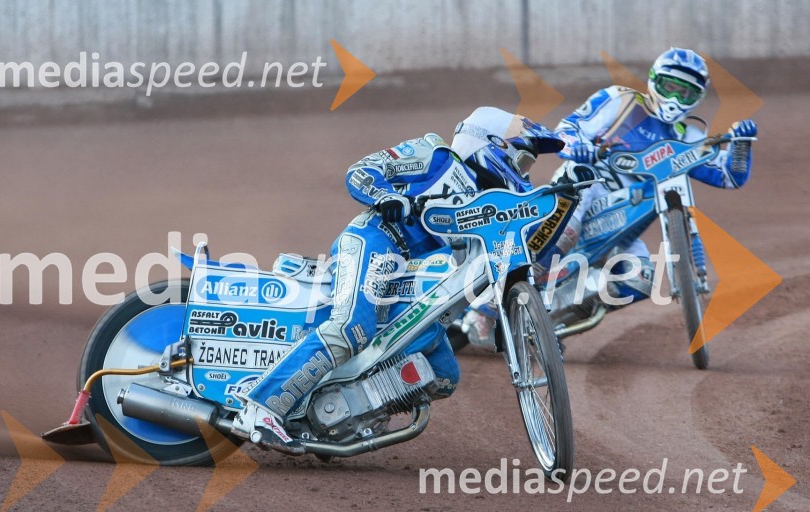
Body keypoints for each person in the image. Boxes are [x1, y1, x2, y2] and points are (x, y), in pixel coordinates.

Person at [231, 107, 566, 452]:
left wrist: (567, 197)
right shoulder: (437, 157)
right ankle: (261, 409)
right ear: (493, 144)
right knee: (349, 329)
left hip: (416, 276)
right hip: (377, 241)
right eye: (524, 162)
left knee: (443, 373)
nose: (524, 174)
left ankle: (336, 418)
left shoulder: (492, 205)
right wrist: (384, 195)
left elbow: (529, 251)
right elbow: (361, 171)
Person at [552, 46, 758, 301]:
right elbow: (567, 129)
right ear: (653, 80)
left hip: (625, 216)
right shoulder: (620, 100)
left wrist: (741, 143)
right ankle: (515, 282)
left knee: (640, 282)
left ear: (697, 98)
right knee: (565, 233)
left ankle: (550, 317)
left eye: (685, 93)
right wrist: (578, 146)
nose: (674, 99)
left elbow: (729, 176)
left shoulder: (688, 137)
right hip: (588, 186)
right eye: (669, 87)